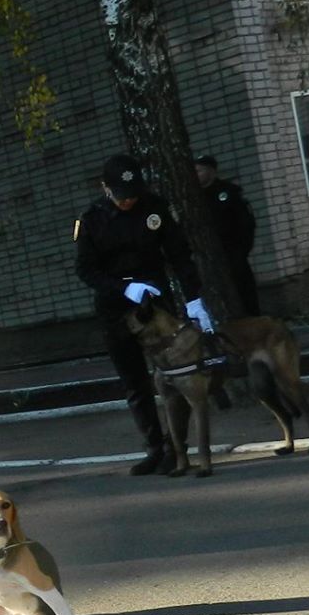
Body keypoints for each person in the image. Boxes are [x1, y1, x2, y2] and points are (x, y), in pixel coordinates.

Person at [77, 154, 213, 476]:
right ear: (105, 189)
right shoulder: (92, 219)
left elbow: (179, 254)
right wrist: (122, 288)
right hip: (116, 307)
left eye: (133, 194)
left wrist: (194, 299)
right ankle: (155, 446)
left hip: (156, 306)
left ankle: (176, 447)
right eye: (122, 196)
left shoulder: (155, 207)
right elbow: (85, 270)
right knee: (134, 382)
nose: (129, 201)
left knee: (171, 375)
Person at [194, 155, 262, 317]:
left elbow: (246, 225)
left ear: (212, 171)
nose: (196, 175)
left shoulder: (229, 193)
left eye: (199, 170)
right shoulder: (193, 197)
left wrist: (240, 253)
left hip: (233, 256)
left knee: (244, 298)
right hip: (209, 260)